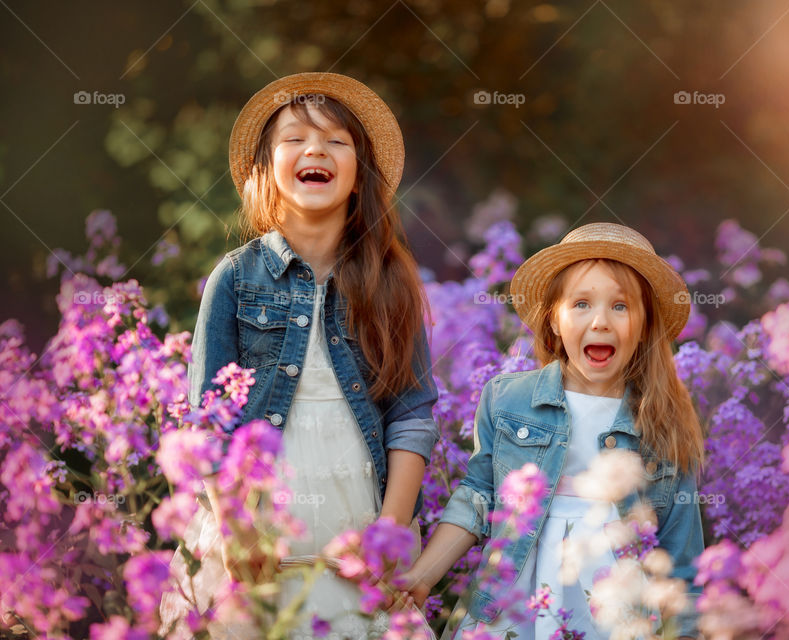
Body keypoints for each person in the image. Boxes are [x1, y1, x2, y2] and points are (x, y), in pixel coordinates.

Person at [159, 72, 440, 639]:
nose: (316, 149)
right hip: (257, 519)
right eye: (295, 139)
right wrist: (238, 531)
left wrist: (390, 531)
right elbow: (209, 418)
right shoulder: (235, 277)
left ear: (359, 177)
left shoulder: (390, 283)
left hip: (354, 516)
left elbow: (411, 416)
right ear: (265, 170)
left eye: (337, 141)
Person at [399, 223, 706, 639]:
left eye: (621, 307)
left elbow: (681, 560)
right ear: (555, 319)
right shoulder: (507, 400)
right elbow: (477, 499)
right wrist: (422, 576)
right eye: (581, 304)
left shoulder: (662, 425)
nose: (600, 321)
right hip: (515, 610)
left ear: (644, 327)